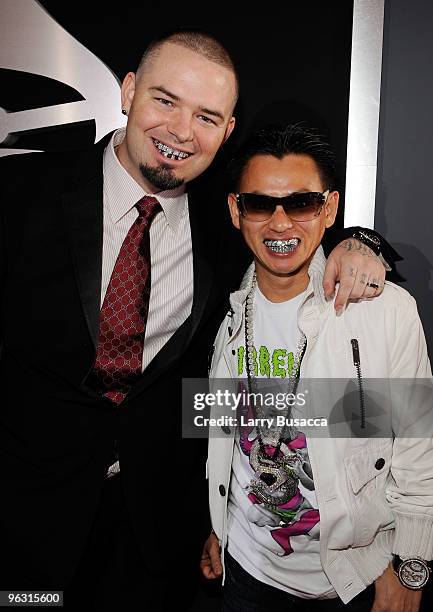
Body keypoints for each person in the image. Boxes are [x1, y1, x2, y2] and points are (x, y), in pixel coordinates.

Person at [0, 30, 395, 611]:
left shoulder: (230, 219)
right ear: (128, 92)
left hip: (154, 530)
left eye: (207, 116)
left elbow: (300, 226)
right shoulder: (18, 193)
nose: (183, 132)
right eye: (165, 101)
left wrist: (362, 243)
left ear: (227, 130)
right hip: (25, 518)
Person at [201, 123, 433, 611]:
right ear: (235, 210)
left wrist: (411, 566)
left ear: (328, 208)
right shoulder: (218, 304)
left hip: (348, 582)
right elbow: (220, 430)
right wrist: (218, 523)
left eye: (302, 203)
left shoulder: (384, 310)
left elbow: (419, 445)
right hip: (243, 570)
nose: (280, 224)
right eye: (260, 204)